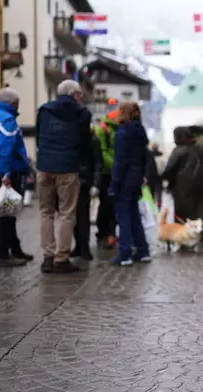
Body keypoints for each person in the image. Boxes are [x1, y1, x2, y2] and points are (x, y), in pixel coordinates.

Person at [36, 79, 92, 273]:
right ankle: (62, 258)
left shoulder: (44, 110)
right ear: (73, 94)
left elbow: (38, 137)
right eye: (79, 94)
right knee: (67, 214)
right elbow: (86, 143)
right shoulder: (82, 113)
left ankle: (47, 257)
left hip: (44, 166)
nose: (81, 97)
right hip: (68, 167)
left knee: (46, 212)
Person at [0, 87, 33, 267]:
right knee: (7, 215)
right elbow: (6, 148)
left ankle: (15, 249)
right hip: (9, 172)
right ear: (12, 103)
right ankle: (2, 254)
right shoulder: (7, 119)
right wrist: (7, 174)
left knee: (9, 212)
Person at [109, 102, 150, 266]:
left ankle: (124, 253)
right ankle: (142, 250)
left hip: (125, 179)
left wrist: (114, 184)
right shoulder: (140, 131)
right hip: (136, 178)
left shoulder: (122, 132)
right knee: (134, 215)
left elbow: (120, 161)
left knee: (124, 216)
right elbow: (144, 158)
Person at [160, 126, 203, 246]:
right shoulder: (202, 149)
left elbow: (170, 169)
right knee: (202, 211)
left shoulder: (179, 150)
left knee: (184, 213)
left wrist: (161, 179)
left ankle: (183, 239)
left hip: (183, 188)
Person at [72, 121, 103, 261]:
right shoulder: (75, 138)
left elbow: (98, 162)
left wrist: (95, 183)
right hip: (74, 180)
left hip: (84, 182)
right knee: (73, 217)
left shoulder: (93, 140)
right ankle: (79, 246)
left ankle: (83, 247)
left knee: (82, 217)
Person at [94, 109, 119, 249]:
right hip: (105, 174)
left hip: (113, 172)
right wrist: (115, 166)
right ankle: (104, 232)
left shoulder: (115, 129)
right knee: (107, 204)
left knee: (111, 204)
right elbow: (102, 153)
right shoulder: (102, 130)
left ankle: (109, 232)